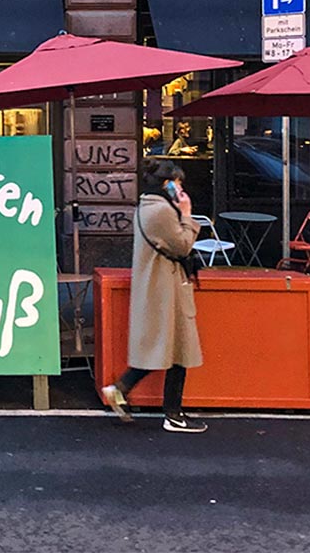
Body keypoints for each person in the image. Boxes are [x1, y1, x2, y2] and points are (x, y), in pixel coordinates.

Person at [101, 158, 207, 434]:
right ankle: (173, 415)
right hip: (166, 288)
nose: (182, 190)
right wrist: (187, 213)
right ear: (168, 184)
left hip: (160, 286)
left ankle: (121, 389)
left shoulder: (147, 207)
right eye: (179, 184)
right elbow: (182, 246)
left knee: (167, 349)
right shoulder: (162, 211)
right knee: (178, 351)